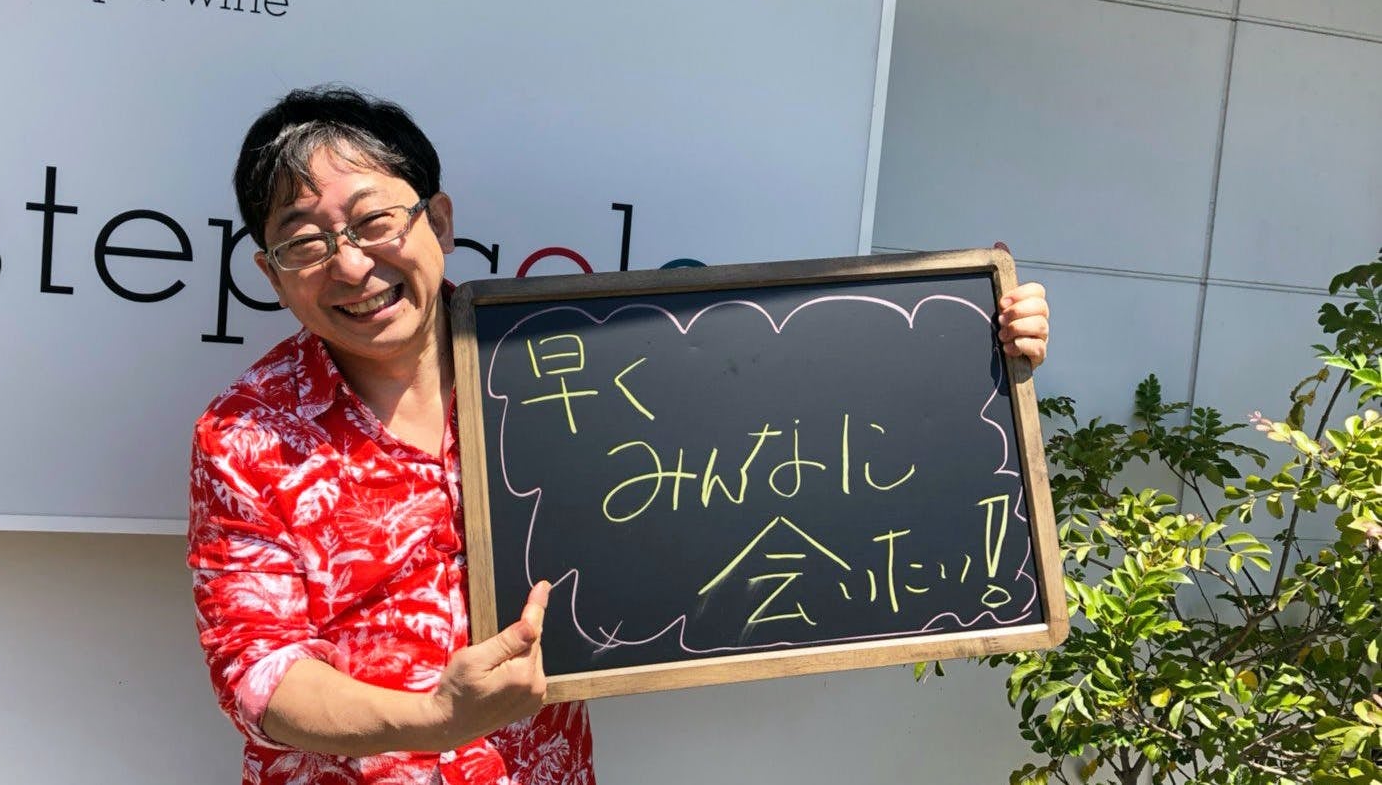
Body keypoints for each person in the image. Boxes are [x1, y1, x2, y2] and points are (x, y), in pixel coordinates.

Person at [187, 86, 1051, 785]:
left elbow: (788, 409)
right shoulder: (246, 437)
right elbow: (257, 675)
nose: (350, 265)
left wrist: (974, 342)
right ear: (271, 275)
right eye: (306, 244)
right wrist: (434, 719)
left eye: (375, 222)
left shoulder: (560, 360)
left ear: (438, 222)